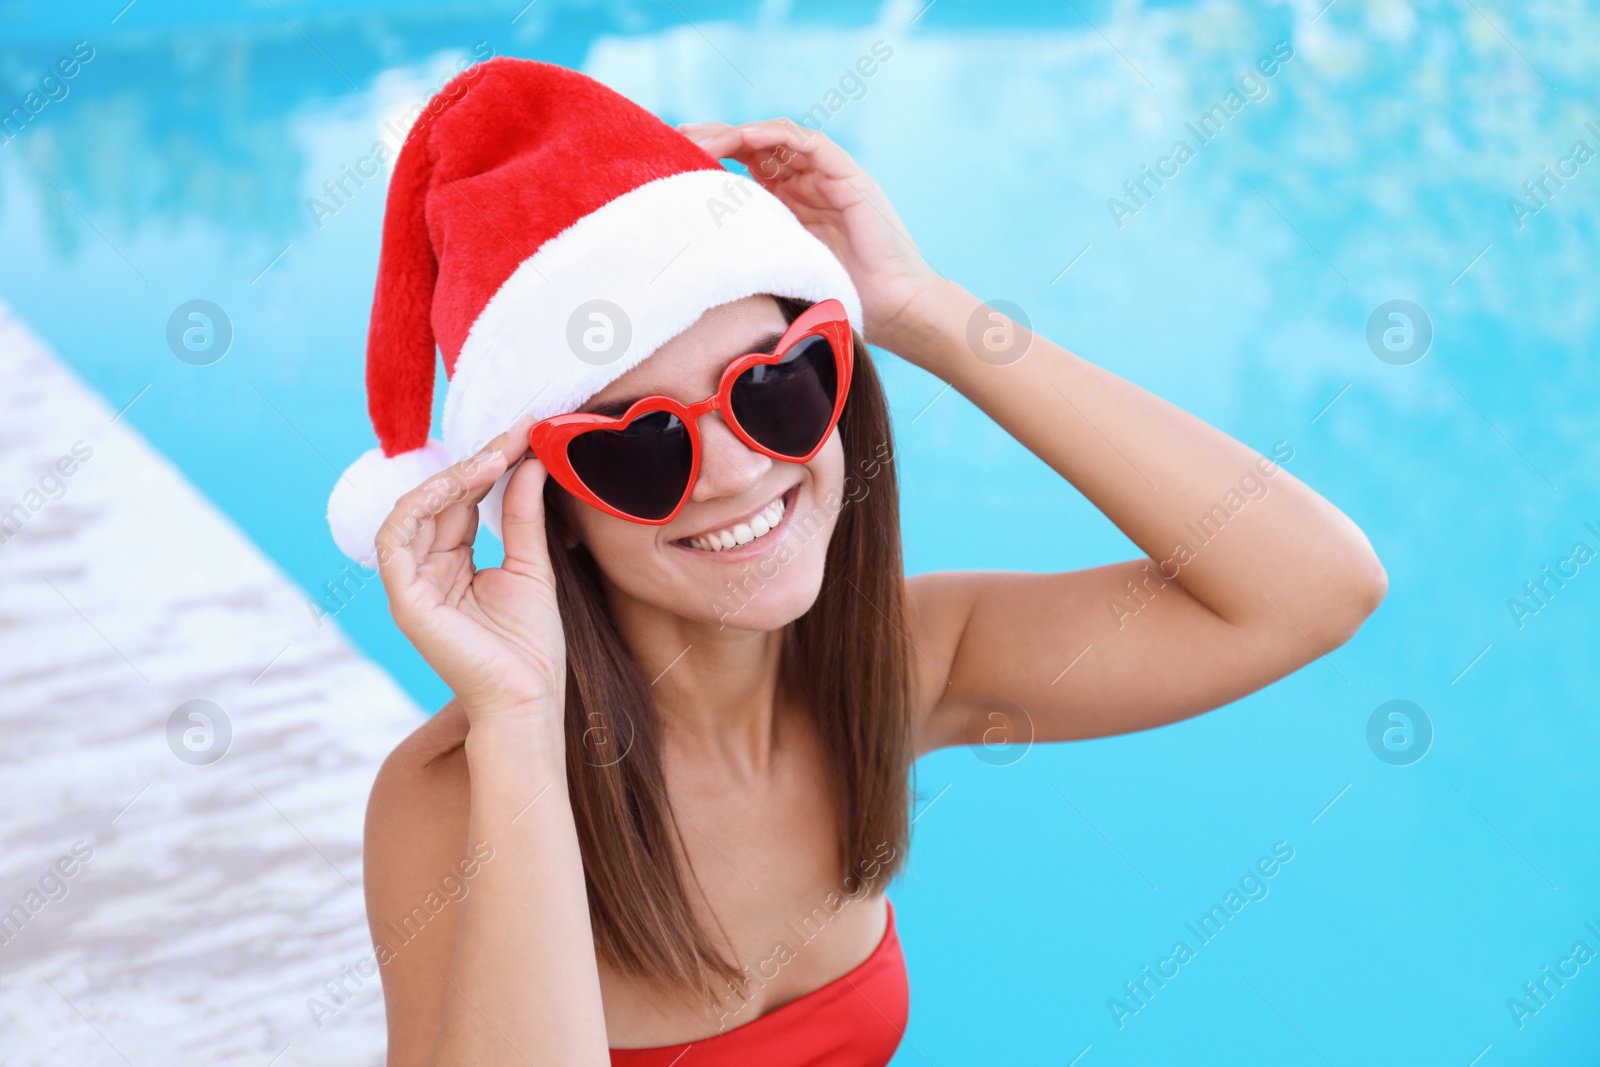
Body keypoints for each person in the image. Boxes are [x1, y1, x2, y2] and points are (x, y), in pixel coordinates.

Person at [326, 58, 1386, 1066]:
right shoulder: (453, 799)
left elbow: (1310, 589)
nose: (737, 471)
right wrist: (516, 716)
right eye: (639, 445)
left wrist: (918, 308)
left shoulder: (908, 665)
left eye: (775, 384)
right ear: (546, 504)